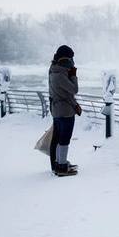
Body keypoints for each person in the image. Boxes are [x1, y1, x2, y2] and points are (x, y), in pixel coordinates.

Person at [48, 45, 82, 177]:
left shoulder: (53, 71)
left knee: (59, 138)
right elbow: (74, 90)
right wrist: (73, 76)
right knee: (64, 139)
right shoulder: (60, 76)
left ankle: (58, 164)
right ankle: (62, 167)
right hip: (65, 111)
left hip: (57, 110)